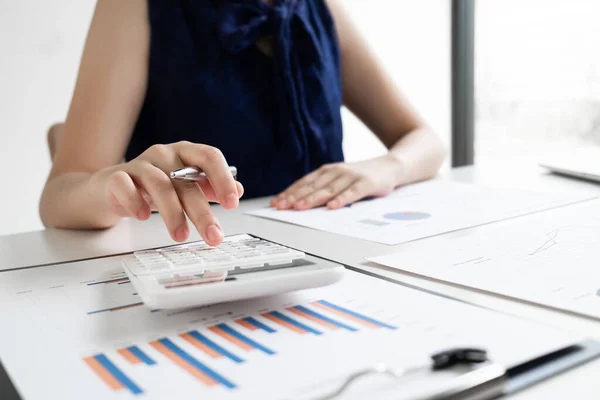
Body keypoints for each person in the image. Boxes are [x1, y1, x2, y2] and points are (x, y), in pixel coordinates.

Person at [39, 0, 445, 247]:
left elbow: (426, 141)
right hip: (199, 266)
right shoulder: (137, 7)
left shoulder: (324, 7)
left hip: (327, 264)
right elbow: (60, 193)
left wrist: (387, 168)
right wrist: (112, 188)